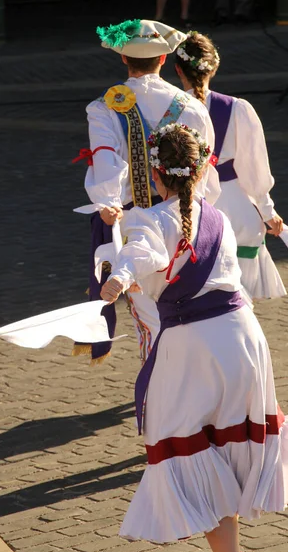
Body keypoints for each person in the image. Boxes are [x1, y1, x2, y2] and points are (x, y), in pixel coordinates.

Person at [100, 124, 288, 552]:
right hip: (243, 336)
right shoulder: (218, 217)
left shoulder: (149, 219)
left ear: (155, 175)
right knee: (225, 448)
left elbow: (144, 251)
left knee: (190, 450)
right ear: (199, 171)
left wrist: (119, 278)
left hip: (192, 346)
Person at [73, 18, 219, 366]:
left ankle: (164, 386)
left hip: (134, 222)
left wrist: (106, 203)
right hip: (186, 215)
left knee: (151, 319)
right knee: (187, 303)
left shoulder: (104, 106)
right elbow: (205, 168)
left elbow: (106, 159)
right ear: (164, 59)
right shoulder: (192, 106)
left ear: (124, 58)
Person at [174, 30, 288, 300]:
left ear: (178, 70)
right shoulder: (237, 108)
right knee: (238, 298)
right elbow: (254, 167)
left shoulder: (170, 110)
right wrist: (267, 210)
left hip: (192, 210)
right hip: (236, 209)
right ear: (214, 68)